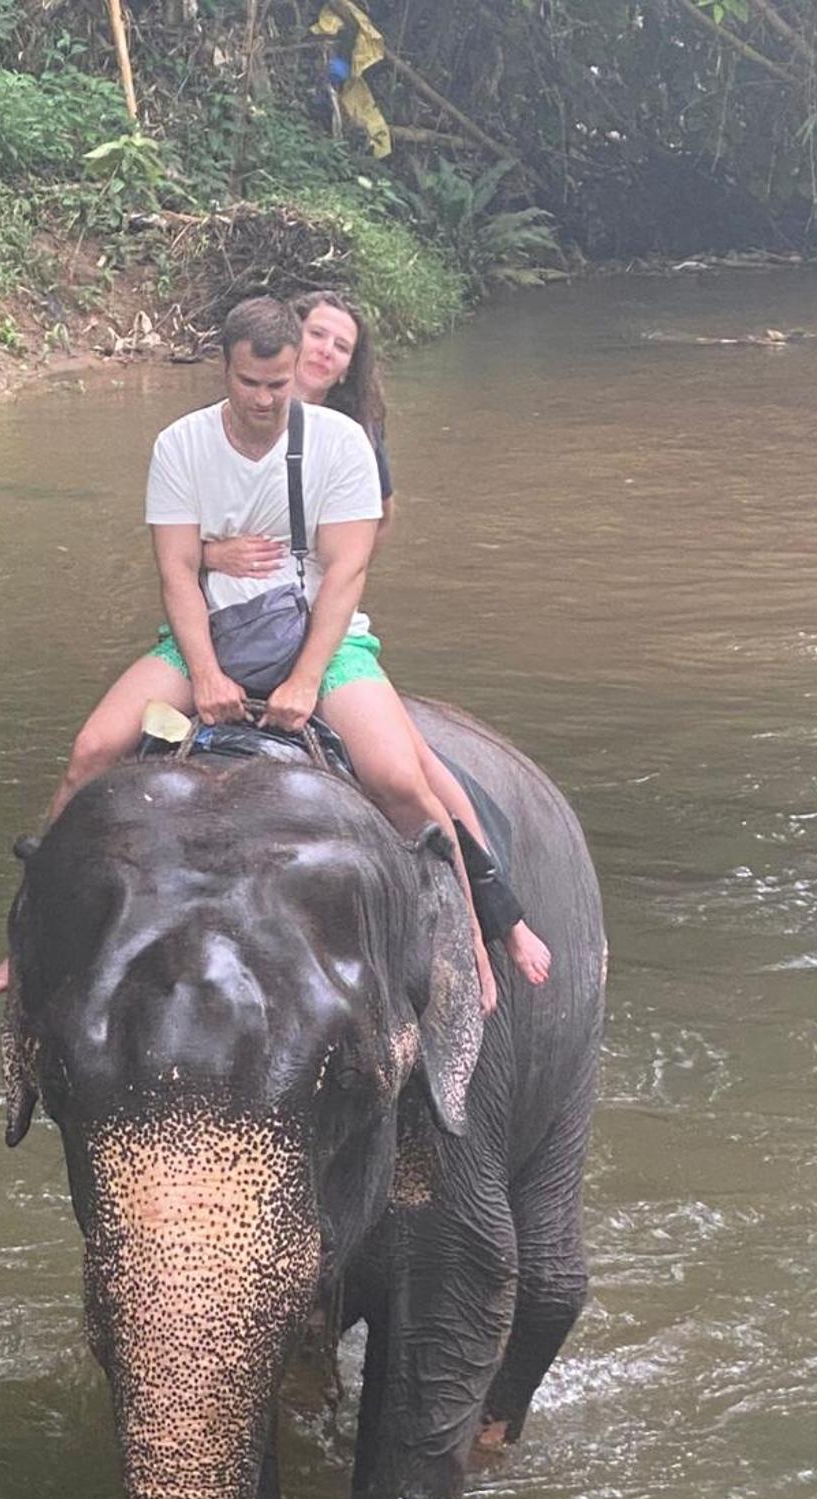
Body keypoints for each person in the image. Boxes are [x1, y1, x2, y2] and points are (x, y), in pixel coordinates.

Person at [0, 294, 498, 1006]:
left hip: (324, 641)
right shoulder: (180, 445)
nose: (263, 399)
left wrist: (307, 680)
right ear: (224, 368)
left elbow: (346, 571)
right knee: (91, 751)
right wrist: (204, 673)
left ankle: (470, 942)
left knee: (399, 779)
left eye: (277, 385)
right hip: (209, 635)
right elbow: (175, 572)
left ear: (297, 369)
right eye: (249, 383)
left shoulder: (341, 442)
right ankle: (31, 936)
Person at [201, 289, 551, 987]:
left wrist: (327, 572)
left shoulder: (351, 438)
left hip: (318, 624)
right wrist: (217, 556)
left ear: (348, 367)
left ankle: (492, 915)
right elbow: (184, 541)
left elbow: (373, 530)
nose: (326, 352)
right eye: (318, 336)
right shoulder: (224, 427)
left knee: (408, 769)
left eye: (342, 346)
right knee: (107, 752)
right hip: (230, 625)